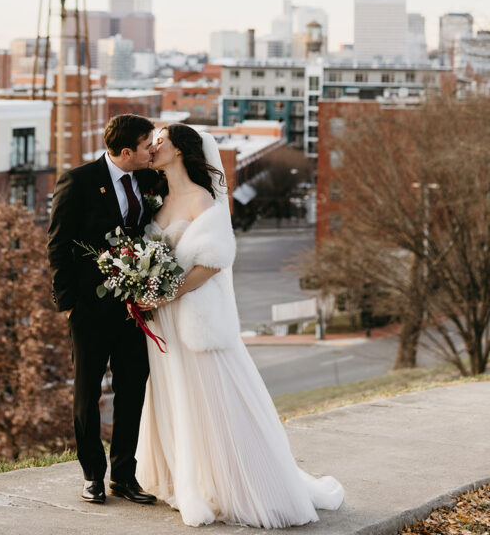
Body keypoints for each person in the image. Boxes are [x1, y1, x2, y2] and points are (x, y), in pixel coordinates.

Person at [135, 124, 344, 528]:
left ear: (181, 151)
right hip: (164, 324)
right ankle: (182, 475)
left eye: (161, 140)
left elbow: (212, 263)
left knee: (213, 398)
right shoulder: (157, 198)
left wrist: (164, 295)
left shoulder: (203, 200)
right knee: (173, 395)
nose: (154, 146)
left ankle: (239, 483)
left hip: (192, 318)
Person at [47, 113, 160, 506]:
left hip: (135, 311)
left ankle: (124, 477)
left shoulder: (148, 179)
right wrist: (68, 304)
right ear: (126, 152)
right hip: (89, 310)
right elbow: (58, 244)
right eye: (148, 145)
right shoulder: (77, 181)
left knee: (132, 391)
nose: (154, 151)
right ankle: (93, 475)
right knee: (87, 392)